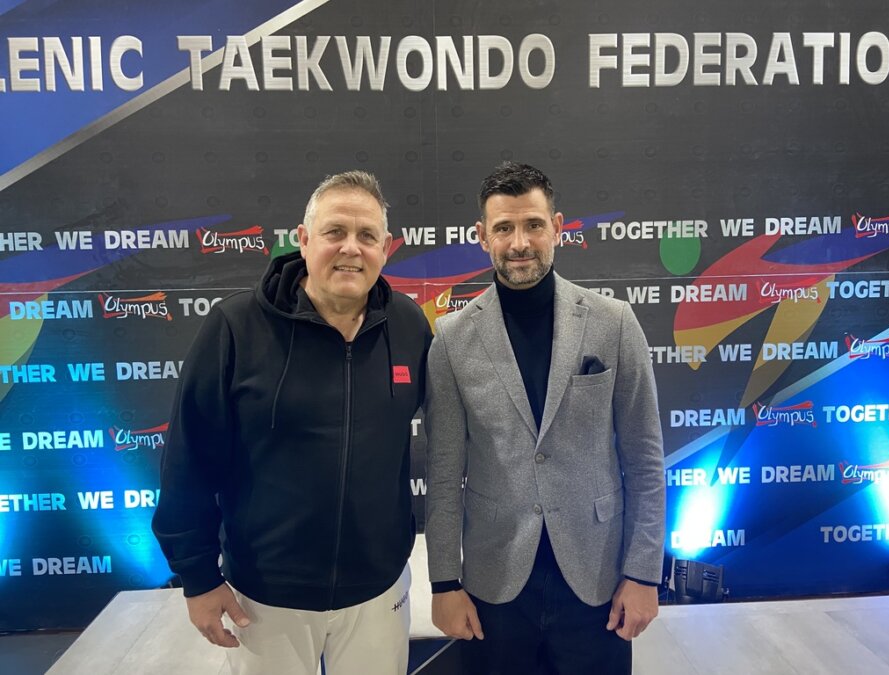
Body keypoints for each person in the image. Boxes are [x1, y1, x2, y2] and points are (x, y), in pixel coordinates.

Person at [152, 170, 432, 675]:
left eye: (367, 235)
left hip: (378, 591)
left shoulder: (409, 325)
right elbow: (188, 463)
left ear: (387, 247)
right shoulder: (235, 327)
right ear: (303, 240)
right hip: (266, 597)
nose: (351, 248)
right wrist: (197, 577)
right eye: (334, 232)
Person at [425, 162, 665, 674]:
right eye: (504, 228)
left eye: (533, 225)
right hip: (494, 584)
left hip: (597, 579)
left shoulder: (614, 323)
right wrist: (444, 583)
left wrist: (644, 573)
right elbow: (443, 475)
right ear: (481, 236)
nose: (520, 243)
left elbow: (645, 459)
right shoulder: (451, 339)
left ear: (557, 227)